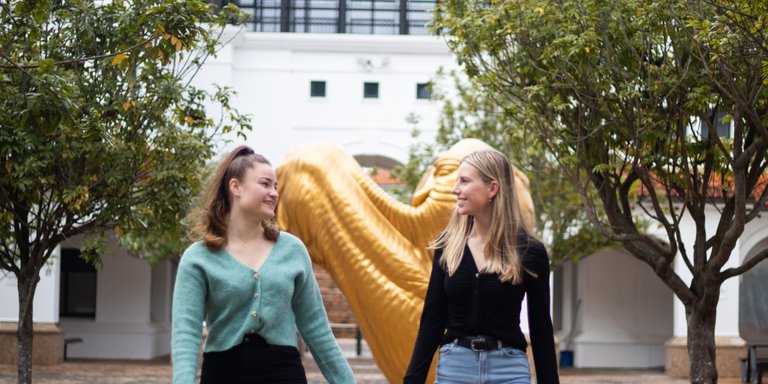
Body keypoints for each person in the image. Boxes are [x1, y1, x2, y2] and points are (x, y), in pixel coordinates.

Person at [171, 145, 355, 384]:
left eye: (276, 186)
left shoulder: (292, 250)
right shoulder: (199, 257)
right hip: (222, 374)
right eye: (265, 184)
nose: (274, 193)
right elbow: (186, 333)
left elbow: (317, 329)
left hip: (284, 374)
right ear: (235, 187)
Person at [403, 150, 560, 384]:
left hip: (509, 371)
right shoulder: (447, 246)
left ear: (492, 188)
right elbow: (432, 322)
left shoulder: (530, 252)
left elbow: (541, 329)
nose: (455, 189)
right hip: (454, 369)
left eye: (464, 181)